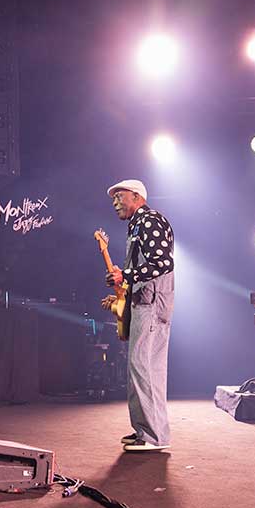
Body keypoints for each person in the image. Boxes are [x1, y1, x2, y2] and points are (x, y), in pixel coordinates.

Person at [102, 179, 174, 452]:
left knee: (144, 367)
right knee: (143, 367)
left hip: (152, 303)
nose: (115, 202)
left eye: (119, 196)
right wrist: (123, 293)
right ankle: (146, 430)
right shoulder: (138, 224)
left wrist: (125, 275)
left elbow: (163, 262)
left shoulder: (149, 220)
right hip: (145, 301)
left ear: (136, 196)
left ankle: (153, 436)